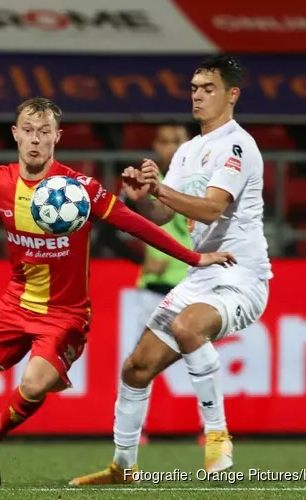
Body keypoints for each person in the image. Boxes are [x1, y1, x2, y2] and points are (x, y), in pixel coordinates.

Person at [0, 97, 235, 486]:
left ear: (56, 137)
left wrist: (193, 258)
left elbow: (134, 224)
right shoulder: (1, 181)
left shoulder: (81, 190)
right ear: (15, 134)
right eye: (28, 131)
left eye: (44, 133)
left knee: (32, 384)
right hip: (15, 303)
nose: (35, 140)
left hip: (66, 313)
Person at [70, 55, 271, 486]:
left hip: (241, 277)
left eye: (208, 88)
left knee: (186, 327)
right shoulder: (187, 151)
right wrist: (142, 197)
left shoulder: (237, 146)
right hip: (201, 276)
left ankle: (217, 436)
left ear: (232, 94)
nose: (198, 95)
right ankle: (123, 468)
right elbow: (163, 216)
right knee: (136, 369)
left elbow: (213, 206)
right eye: (194, 87)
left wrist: (160, 186)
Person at [96, 122, 196, 446]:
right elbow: (107, 231)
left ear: (188, 144)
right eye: (164, 141)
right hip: (151, 288)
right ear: (156, 145)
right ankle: (136, 431)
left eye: (176, 140)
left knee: (198, 361)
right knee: (137, 363)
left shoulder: (199, 184)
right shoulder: (141, 185)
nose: (170, 147)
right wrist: (141, 260)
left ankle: (210, 430)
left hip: (190, 286)